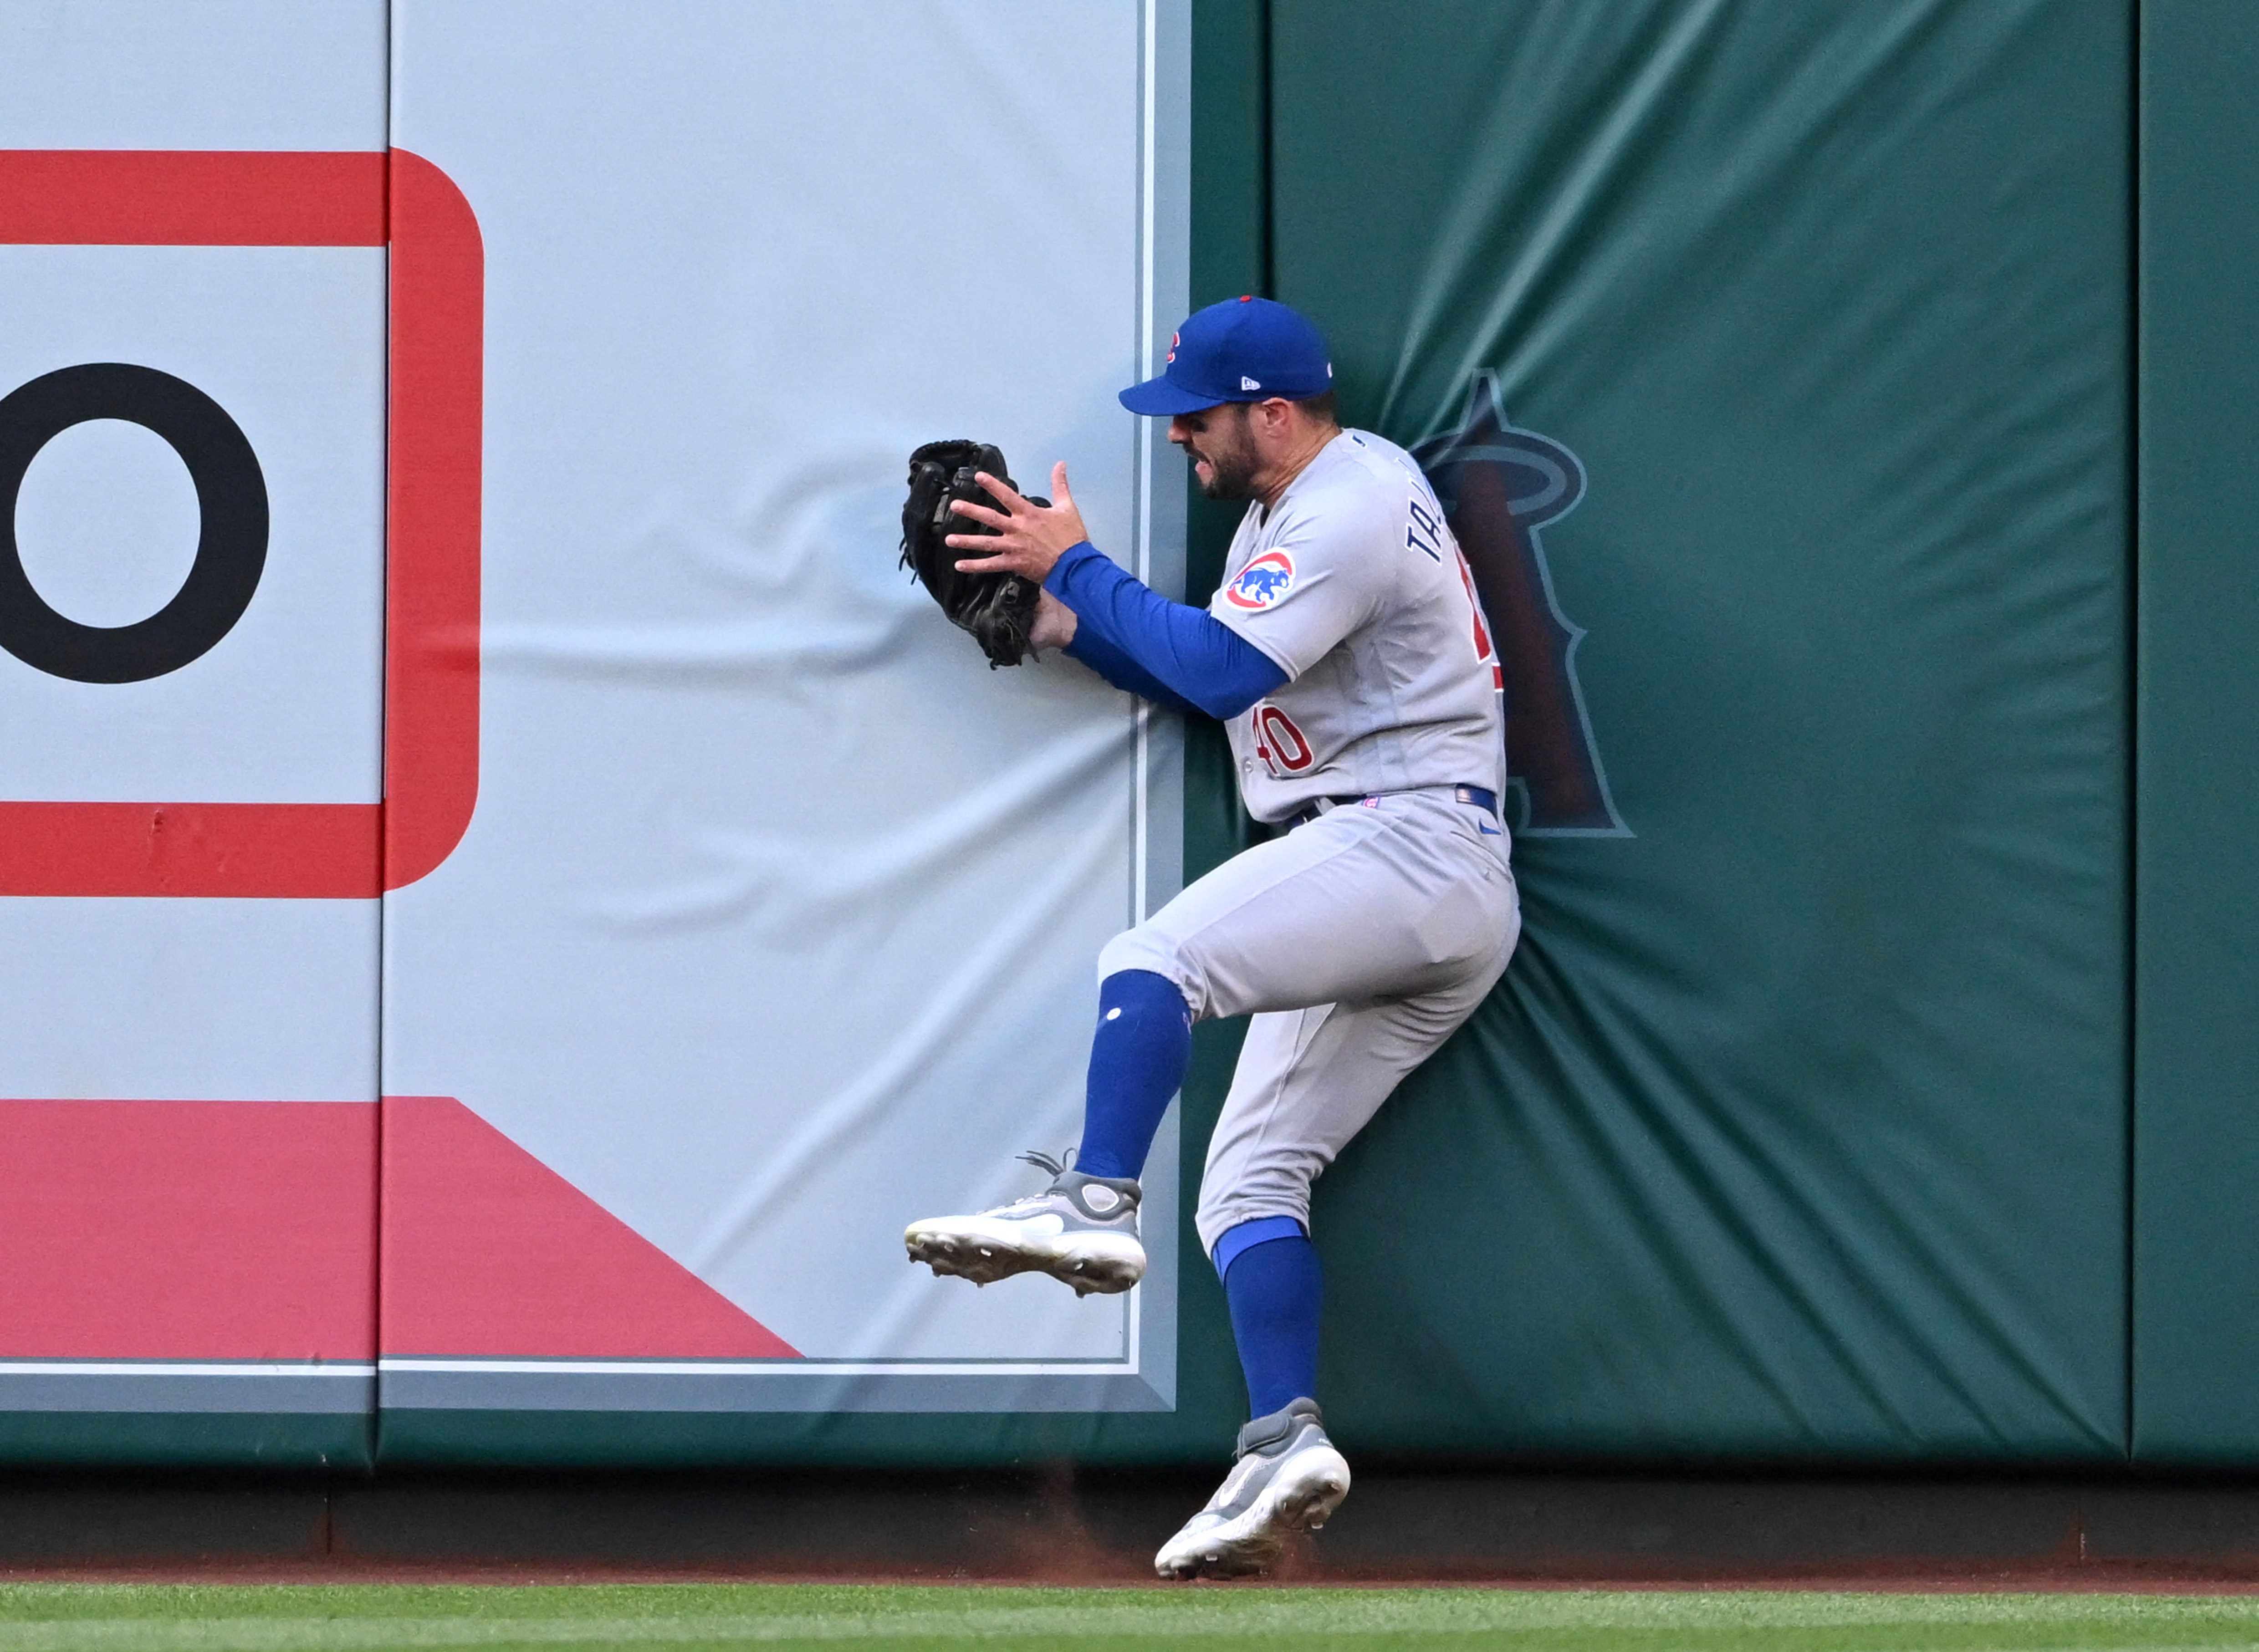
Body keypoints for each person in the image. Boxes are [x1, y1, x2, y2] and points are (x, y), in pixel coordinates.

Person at [904, 296, 1520, 1579]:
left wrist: (1075, 563)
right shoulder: (1293, 510)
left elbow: (1231, 669)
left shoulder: (1350, 502)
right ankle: (1283, 1437)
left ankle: (1093, 1198)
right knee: (1247, 1181)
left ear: (1274, 415)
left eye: (1200, 415)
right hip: (1414, 866)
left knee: (1155, 959)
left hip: (1405, 841)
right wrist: (1069, 623)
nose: (1182, 434)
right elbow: (1209, 671)